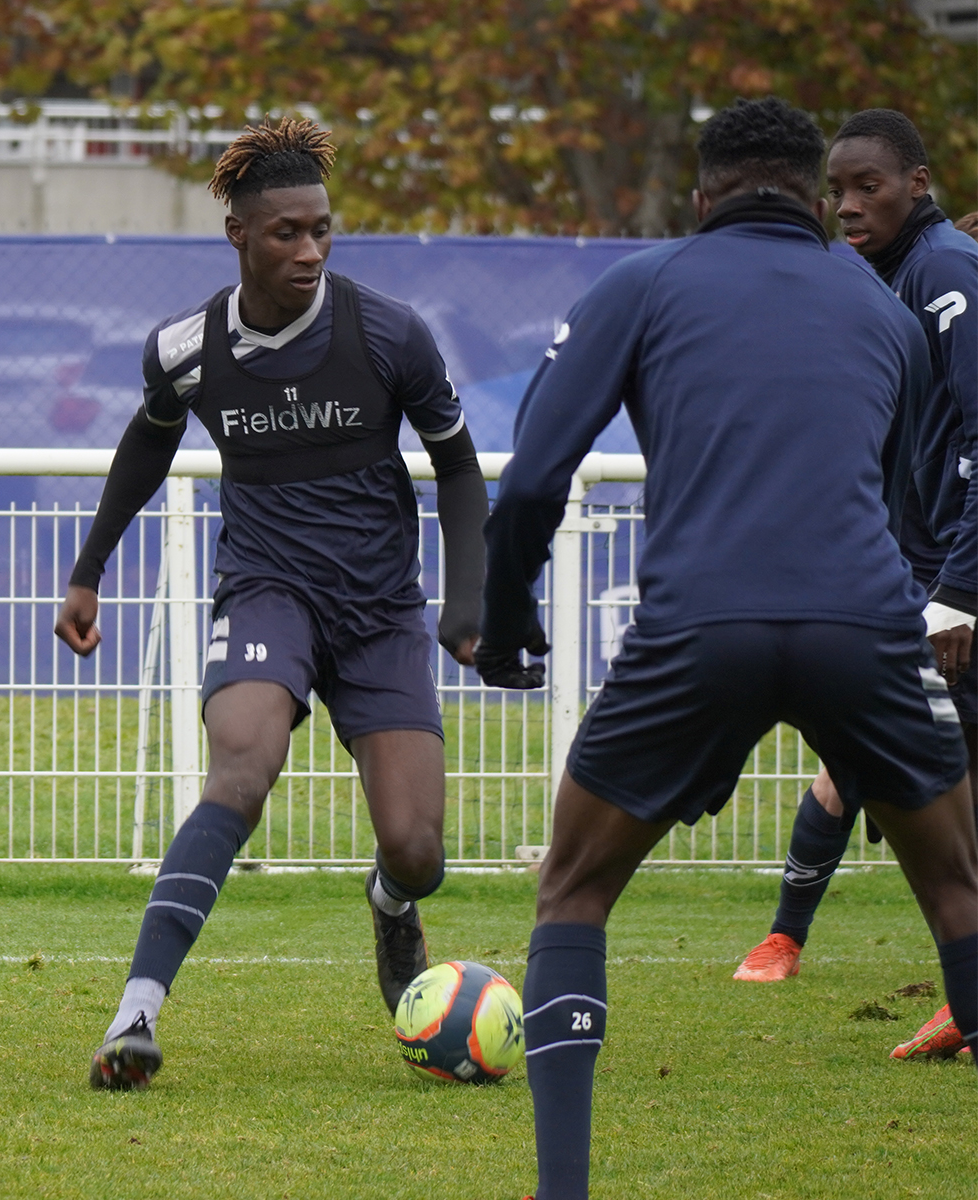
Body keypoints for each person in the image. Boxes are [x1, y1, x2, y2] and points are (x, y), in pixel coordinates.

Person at [475, 98, 976, 1200]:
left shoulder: (645, 283)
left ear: (697, 200)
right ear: (813, 199)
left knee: (571, 890)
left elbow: (529, 484)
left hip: (702, 624)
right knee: (956, 889)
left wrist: (504, 628)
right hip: (864, 621)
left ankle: (562, 1190)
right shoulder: (880, 306)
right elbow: (889, 499)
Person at [53, 118, 489, 1090]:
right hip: (265, 594)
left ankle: (389, 902)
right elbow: (146, 446)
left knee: (418, 852)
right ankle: (136, 1014)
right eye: (286, 233)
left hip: (380, 612)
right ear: (239, 236)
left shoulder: (389, 333)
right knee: (240, 768)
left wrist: (466, 604)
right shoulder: (185, 349)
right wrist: (89, 571)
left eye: (321, 231)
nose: (308, 251)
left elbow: (457, 468)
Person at [731, 110, 977, 1061]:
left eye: (867, 185)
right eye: (836, 191)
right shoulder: (884, 281)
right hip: (915, 569)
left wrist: (959, 586)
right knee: (864, 745)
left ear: (918, 181)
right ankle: (795, 937)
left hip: (955, 580)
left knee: (899, 763)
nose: (846, 205)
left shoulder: (946, 273)